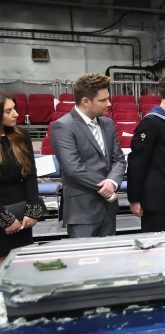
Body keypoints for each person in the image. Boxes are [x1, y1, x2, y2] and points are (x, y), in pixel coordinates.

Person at [51, 74, 126, 238]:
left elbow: (119, 159)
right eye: (103, 100)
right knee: (83, 261)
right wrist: (105, 188)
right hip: (82, 210)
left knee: (109, 260)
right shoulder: (63, 126)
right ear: (86, 101)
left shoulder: (108, 123)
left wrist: (112, 182)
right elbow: (73, 168)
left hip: (108, 208)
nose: (109, 103)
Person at [127, 74, 165, 233]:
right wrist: (134, 199)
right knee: (153, 246)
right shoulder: (151, 122)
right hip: (153, 196)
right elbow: (137, 162)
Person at [0, 91, 43, 255]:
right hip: (3, 214)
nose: (16, 114)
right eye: (8, 111)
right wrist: (5, 219)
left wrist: (33, 211)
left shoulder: (21, 135)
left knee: (21, 262)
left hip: (21, 213)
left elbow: (30, 174)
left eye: (14, 109)